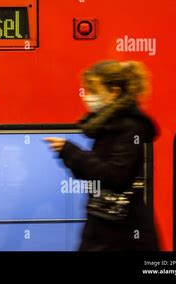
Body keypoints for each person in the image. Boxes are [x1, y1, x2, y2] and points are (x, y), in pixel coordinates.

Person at [44, 60, 159, 251]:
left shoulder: (131, 127)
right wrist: (69, 155)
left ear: (113, 91)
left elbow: (115, 175)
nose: (88, 97)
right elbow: (100, 173)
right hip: (107, 225)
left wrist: (70, 152)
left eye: (93, 90)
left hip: (121, 233)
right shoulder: (111, 126)